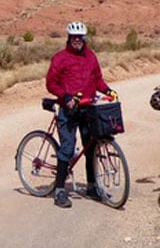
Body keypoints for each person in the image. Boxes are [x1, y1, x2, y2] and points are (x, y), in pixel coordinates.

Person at [45, 21, 117, 208]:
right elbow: (51, 83)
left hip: (88, 108)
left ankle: (92, 187)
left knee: (91, 147)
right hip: (69, 110)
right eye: (74, 38)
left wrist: (108, 91)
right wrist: (65, 96)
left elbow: (97, 79)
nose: (78, 40)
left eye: (80, 37)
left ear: (84, 38)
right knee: (67, 149)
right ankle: (60, 190)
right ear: (69, 38)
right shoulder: (60, 58)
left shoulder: (91, 57)